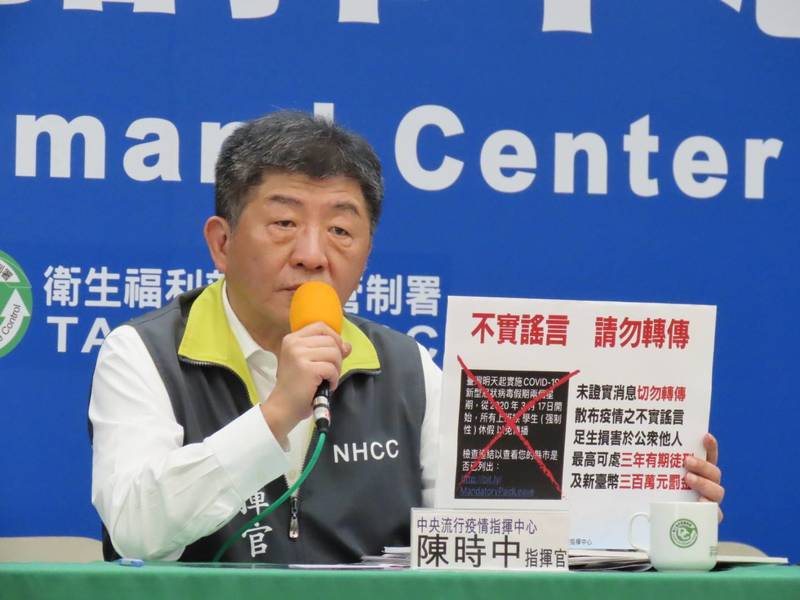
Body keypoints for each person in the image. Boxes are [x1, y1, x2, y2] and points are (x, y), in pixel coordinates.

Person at [89, 111, 724, 564]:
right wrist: (278, 412)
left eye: (341, 231)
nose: (312, 254)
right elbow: (138, 531)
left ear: (366, 255)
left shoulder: (406, 368)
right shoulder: (143, 355)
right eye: (283, 223)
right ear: (222, 243)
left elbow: (499, 537)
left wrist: (652, 513)